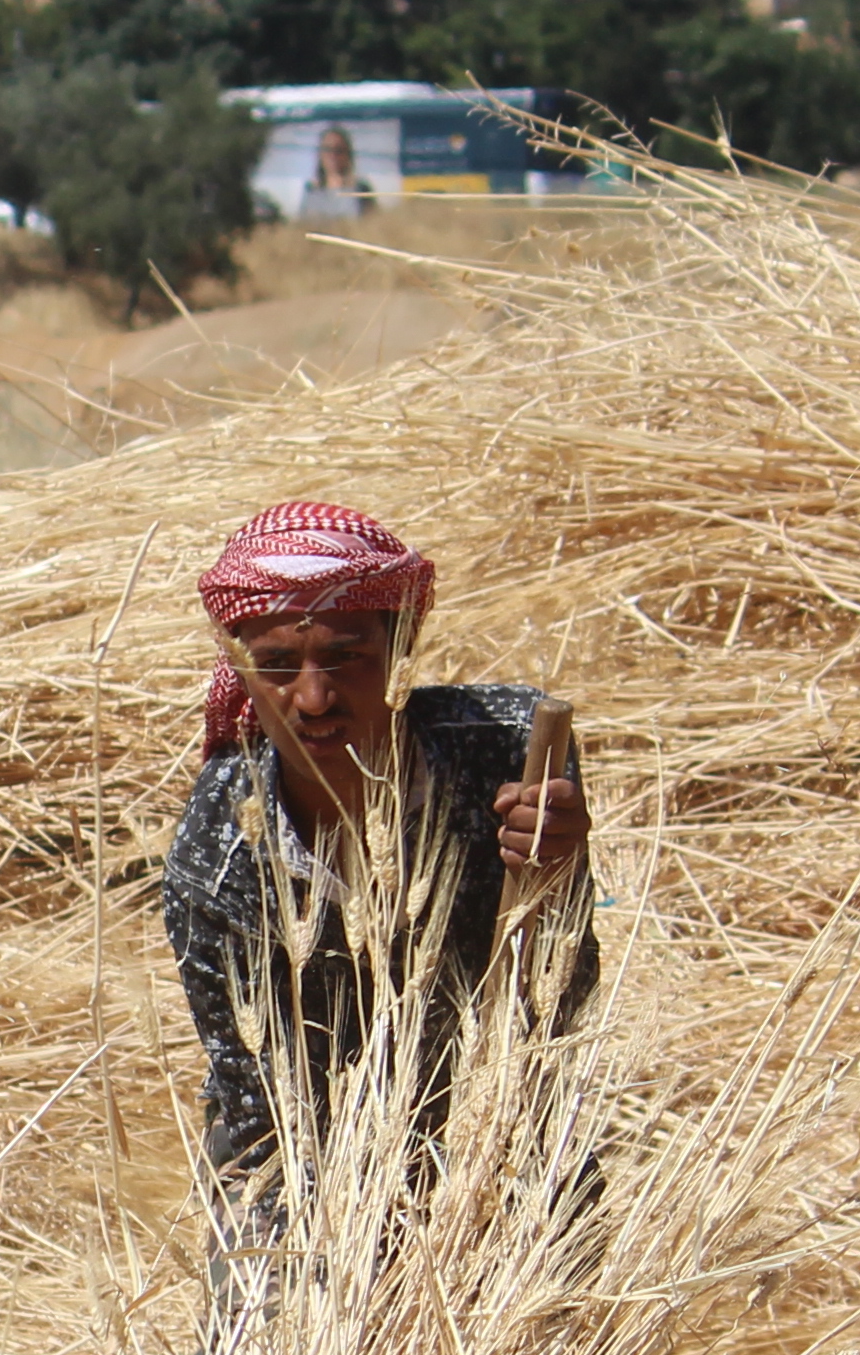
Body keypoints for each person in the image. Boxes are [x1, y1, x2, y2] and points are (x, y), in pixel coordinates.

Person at [158, 501, 593, 1262]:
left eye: (348, 657)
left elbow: (563, 996)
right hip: (299, 1144)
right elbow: (261, 1109)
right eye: (279, 666)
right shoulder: (216, 854)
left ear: (401, 651)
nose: (315, 699)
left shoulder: (512, 750)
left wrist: (559, 872)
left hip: (495, 1108)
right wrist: (364, 1246)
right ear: (240, 672)